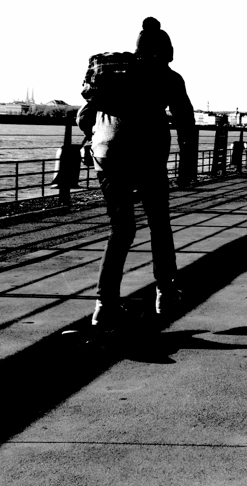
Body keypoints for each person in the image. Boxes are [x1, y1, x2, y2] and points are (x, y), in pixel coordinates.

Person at [78, 17, 197, 329]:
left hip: (108, 156)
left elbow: (83, 117)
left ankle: (104, 305)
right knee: (158, 223)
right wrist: (187, 167)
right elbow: (186, 122)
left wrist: (103, 133)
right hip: (147, 156)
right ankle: (166, 293)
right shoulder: (169, 78)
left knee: (122, 228)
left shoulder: (114, 75)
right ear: (168, 51)